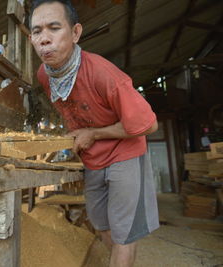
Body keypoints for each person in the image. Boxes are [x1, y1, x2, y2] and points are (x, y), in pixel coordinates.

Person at [29, 1, 159, 266]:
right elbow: (76, 115)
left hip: (126, 153)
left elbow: (149, 124)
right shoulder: (45, 75)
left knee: (124, 236)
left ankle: (123, 255)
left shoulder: (102, 73)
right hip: (93, 159)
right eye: (37, 31)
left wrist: (94, 134)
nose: (44, 39)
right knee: (102, 226)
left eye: (54, 28)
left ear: (76, 33)